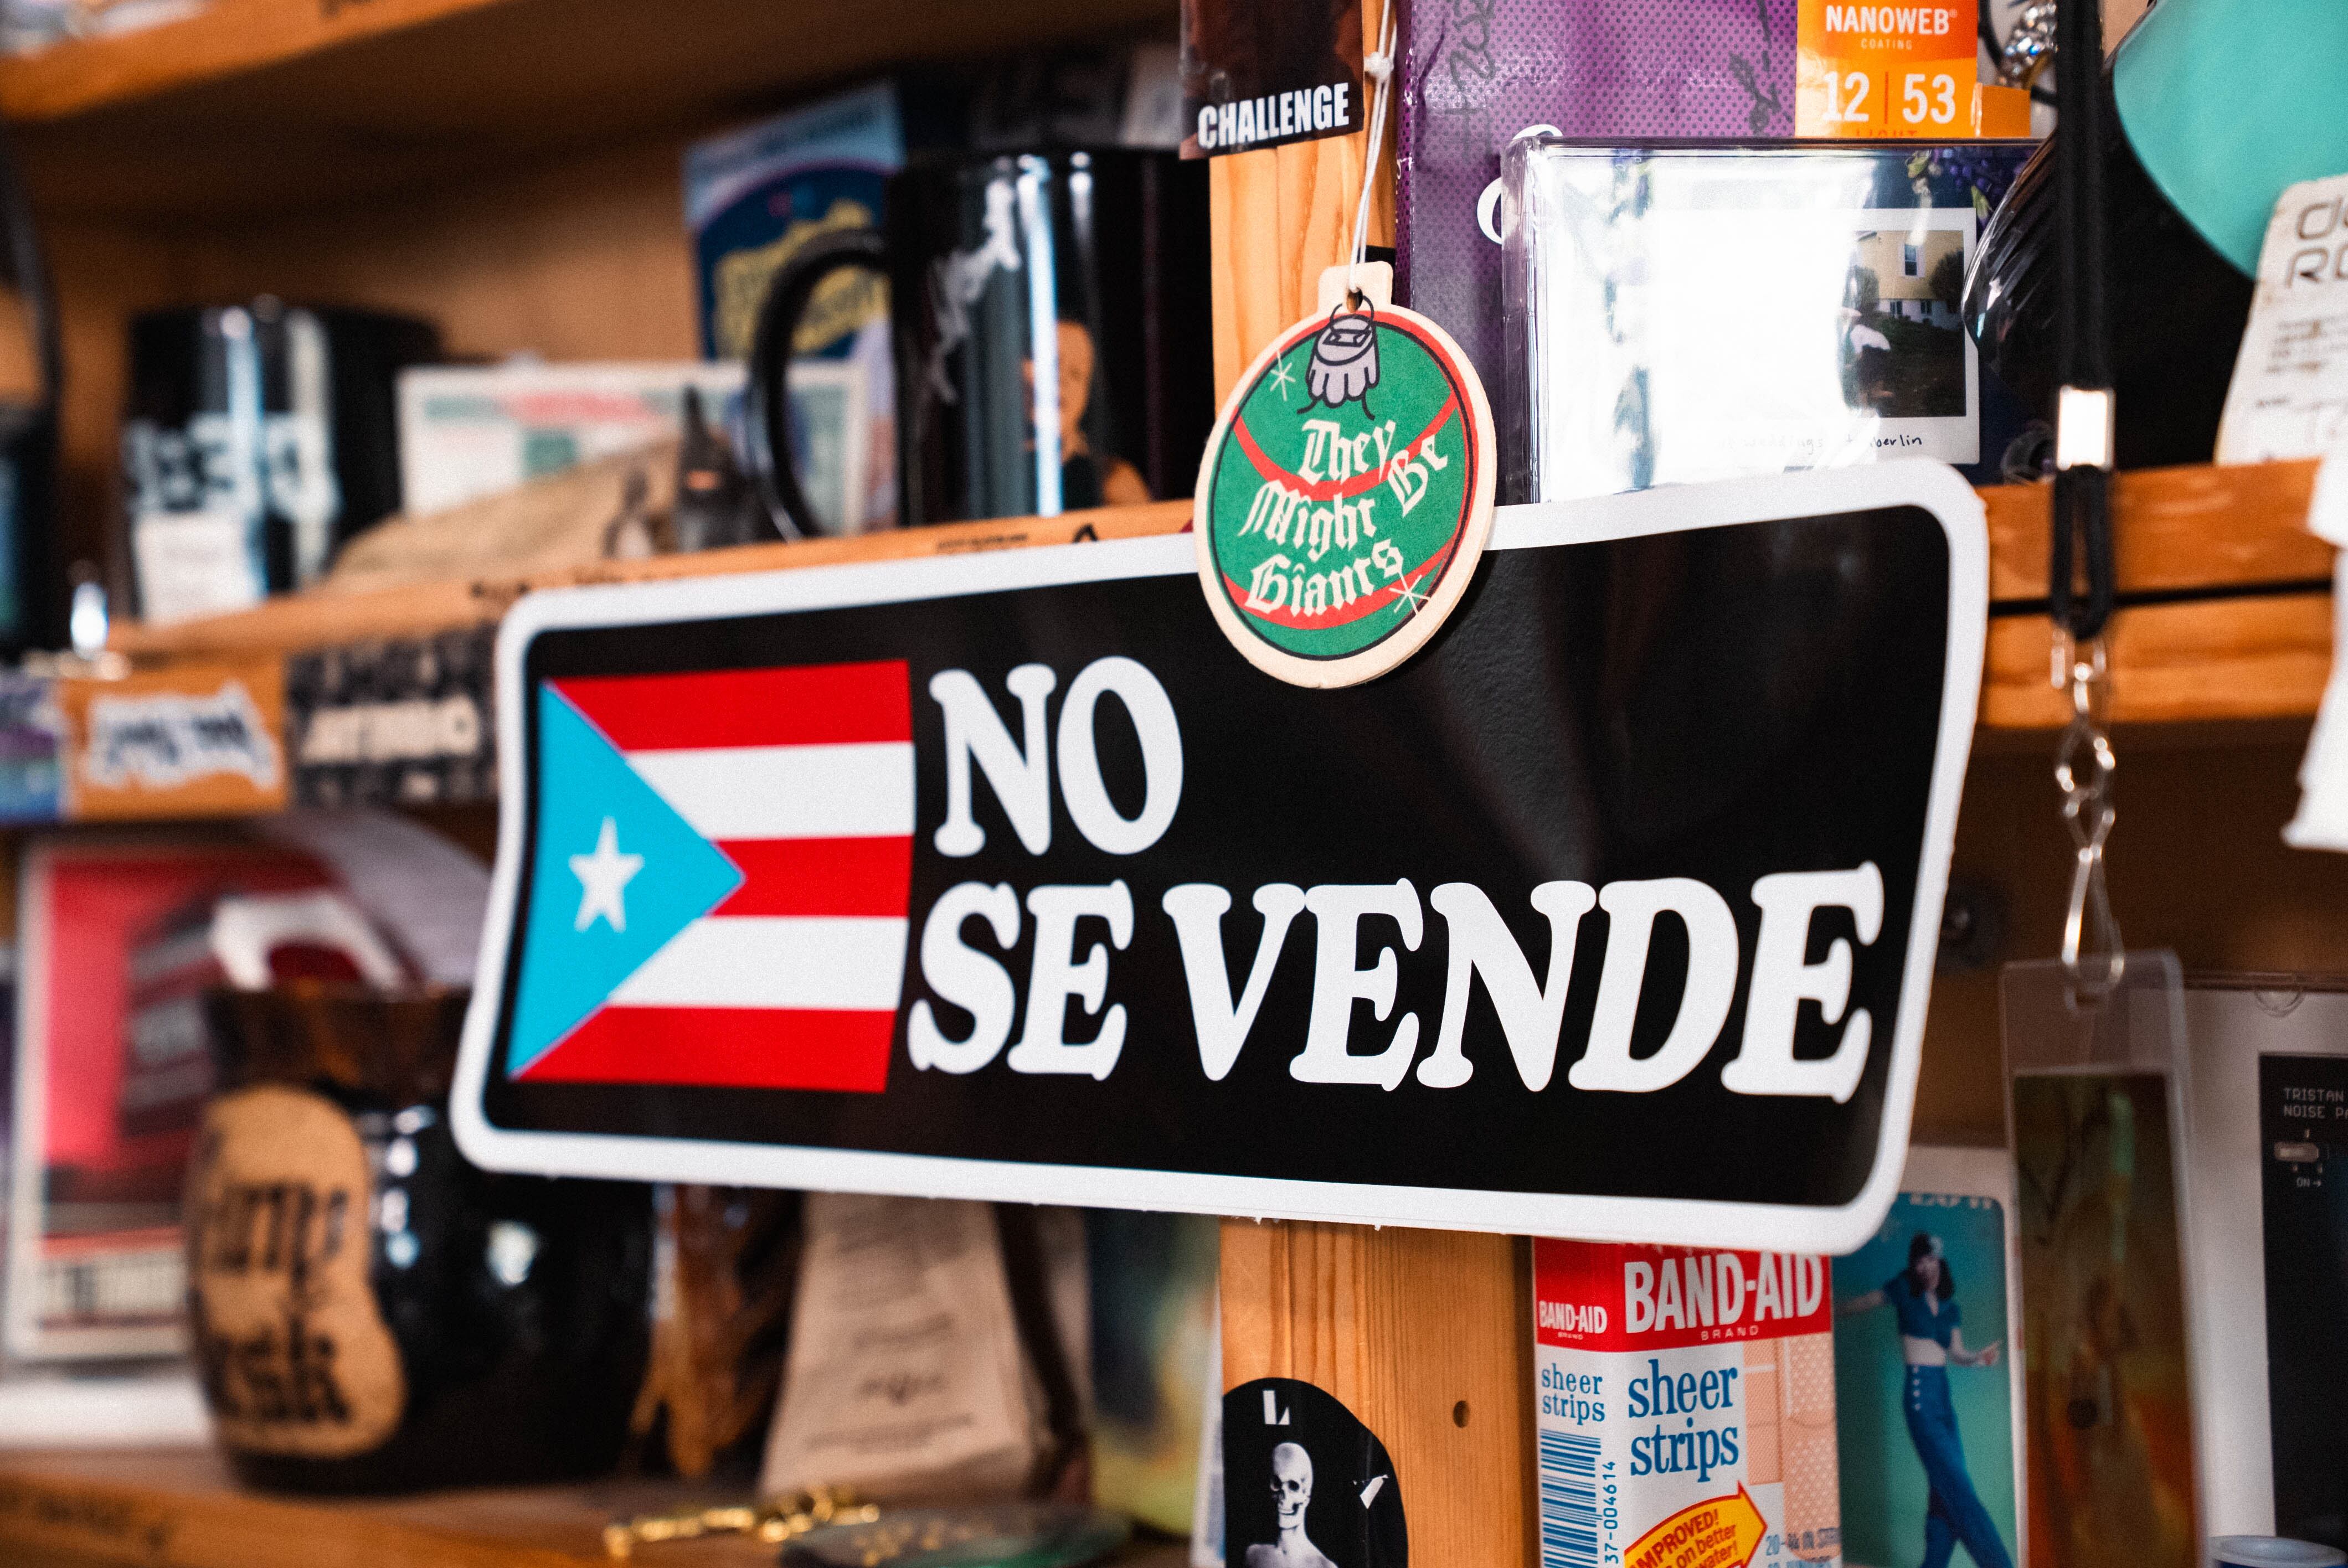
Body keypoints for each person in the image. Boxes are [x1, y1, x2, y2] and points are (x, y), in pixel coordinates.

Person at [1841, 1233, 2012, 1568]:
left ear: (1939, 1261)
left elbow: (1958, 1353)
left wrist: (1980, 1358)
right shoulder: (1905, 1289)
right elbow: (1868, 1301)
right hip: (1920, 1395)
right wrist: (1833, 1309)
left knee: (1944, 1496)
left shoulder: (1950, 1308)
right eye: (1918, 1260)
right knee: (1959, 1492)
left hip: (1943, 1398)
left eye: (1929, 1259)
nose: (1923, 1266)